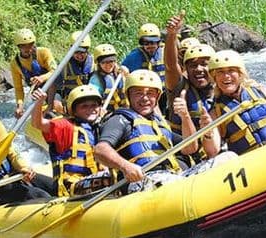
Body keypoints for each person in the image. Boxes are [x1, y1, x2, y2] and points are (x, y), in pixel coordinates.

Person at [93, 70, 200, 192]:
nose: (145, 98)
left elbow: (190, 148)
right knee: (170, 181)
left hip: (172, 176)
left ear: (157, 97)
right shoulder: (120, 120)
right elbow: (100, 150)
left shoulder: (160, 124)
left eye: (150, 93)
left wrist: (185, 116)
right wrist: (125, 166)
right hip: (140, 182)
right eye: (138, 93)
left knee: (224, 158)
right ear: (129, 96)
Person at [163, 13, 219, 163]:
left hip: (215, 150)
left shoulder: (224, 89)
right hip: (184, 156)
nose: (199, 69)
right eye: (193, 65)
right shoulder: (180, 88)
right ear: (186, 68)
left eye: (204, 64)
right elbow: (170, 66)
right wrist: (172, 35)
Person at [31, 85, 105, 197]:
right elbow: (38, 123)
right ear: (74, 111)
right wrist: (39, 102)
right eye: (84, 106)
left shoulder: (100, 129)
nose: (90, 109)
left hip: (93, 180)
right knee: (110, 179)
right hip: (71, 185)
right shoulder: (65, 126)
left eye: (94, 105)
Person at [9, 28, 57, 118]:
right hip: (37, 90)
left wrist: (42, 78)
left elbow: (55, 70)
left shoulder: (44, 52)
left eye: (30, 44)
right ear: (19, 47)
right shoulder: (15, 64)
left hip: (55, 88)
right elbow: (18, 88)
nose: (28, 48)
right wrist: (20, 106)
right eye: (24, 46)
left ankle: (50, 107)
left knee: (52, 80)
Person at [122, 23, 168, 113]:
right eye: (146, 43)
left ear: (159, 42)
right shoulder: (134, 57)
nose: (150, 46)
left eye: (153, 42)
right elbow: (123, 71)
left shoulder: (165, 52)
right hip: (146, 94)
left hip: (165, 93)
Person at [47, 31, 94, 114]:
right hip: (71, 105)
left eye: (82, 52)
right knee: (56, 103)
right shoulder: (64, 65)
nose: (79, 56)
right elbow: (53, 84)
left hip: (91, 102)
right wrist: (50, 105)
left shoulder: (95, 64)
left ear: (87, 50)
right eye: (76, 52)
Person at [88, 43, 129, 112]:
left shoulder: (120, 73)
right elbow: (91, 99)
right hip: (107, 113)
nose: (108, 65)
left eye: (111, 61)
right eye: (103, 62)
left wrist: (127, 75)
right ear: (98, 63)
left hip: (124, 110)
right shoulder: (96, 79)